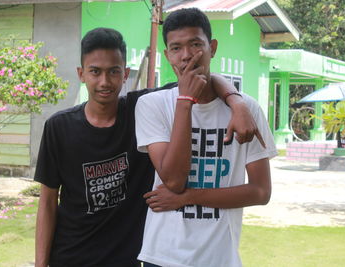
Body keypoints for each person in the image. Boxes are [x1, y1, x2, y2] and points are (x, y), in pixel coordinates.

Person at [34, 27, 263, 267]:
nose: (104, 81)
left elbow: (202, 77)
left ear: (126, 74)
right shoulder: (58, 127)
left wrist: (236, 101)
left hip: (129, 259)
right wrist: (41, 264)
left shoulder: (144, 110)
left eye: (114, 71)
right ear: (81, 74)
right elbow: (48, 202)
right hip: (71, 257)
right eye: (95, 72)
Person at [135, 8, 278, 267]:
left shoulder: (248, 110)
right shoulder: (152, 105)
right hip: (163, 255)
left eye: (195, 44)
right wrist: (186, 101)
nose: (187, 55)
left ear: (212, 47)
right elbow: (175, 180)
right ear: (167, 56)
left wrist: (188, 197)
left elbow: (260, 191)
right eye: (176, 48)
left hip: (219, 257)